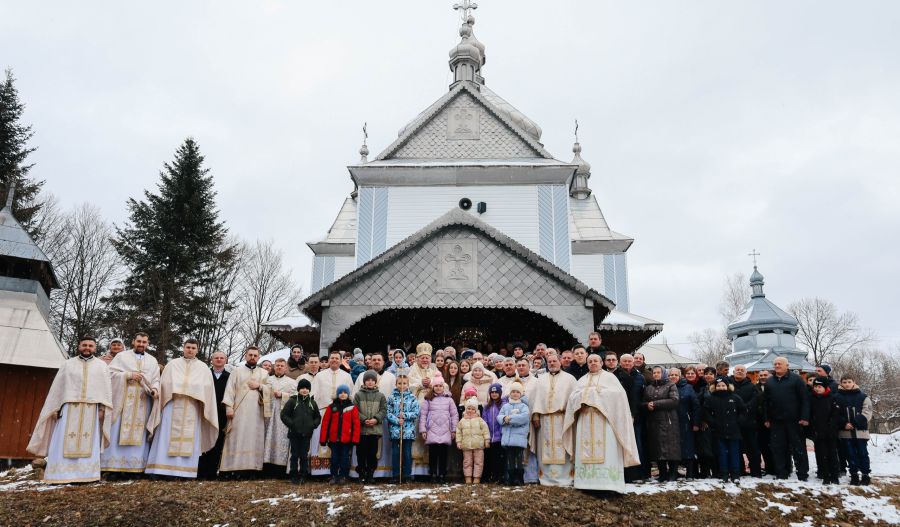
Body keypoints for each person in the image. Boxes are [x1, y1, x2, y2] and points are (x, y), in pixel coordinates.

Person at [27, 336, 113, 484]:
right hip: (68, 408)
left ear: (95, 348)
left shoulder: (102, 366)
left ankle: (87, 475)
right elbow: (57, 389)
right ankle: (60, 475)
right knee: (62, 439)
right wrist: (56, 407)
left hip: (91, 409)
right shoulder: (67, 365)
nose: (87, 348)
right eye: (84, 345)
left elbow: (105, 389)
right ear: (79, 347)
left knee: (89, 440)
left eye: (90, 346)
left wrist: (103, 408)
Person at [562, 354, 641, 492]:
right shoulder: (581, 380)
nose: (593, 363)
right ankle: (585, 484)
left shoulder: (610, 378)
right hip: (585, 419)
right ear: (587, 364)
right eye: (590, 361)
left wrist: (593, 394)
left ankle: (608, 483)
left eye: (595, 361)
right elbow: (573, 398)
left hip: (605, 420)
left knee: (607, 449)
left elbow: (618, 396)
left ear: (601, 363)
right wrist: (585, 396)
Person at [145, 338, 218, 479]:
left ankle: (185, 472)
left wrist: (192, 391)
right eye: (188, 347)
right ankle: (161, 470)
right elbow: (165, 384)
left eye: (193, 348)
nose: (190, 350)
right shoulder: (172, 364)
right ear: (183, 348)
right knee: (166, 435)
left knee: (190, 437)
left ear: (197, 350)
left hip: (192, 407)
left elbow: (207, 390)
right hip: (172, 405)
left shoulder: (203, 368)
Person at [101, 332, 160, 476]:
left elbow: (156, 379)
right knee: (117, 430)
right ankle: (112, 468)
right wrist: (128, 375)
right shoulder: (122, 356)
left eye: (144, 342)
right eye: (139, 341)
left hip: (142, 401)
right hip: (123, 399)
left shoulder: (152, 360)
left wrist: (154, 389)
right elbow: (109, 374)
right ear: (133, 341)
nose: (141, 344)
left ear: (148, 343)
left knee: (140, 435)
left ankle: (135, 468)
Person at [219, 346, 273, 475]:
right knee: (236, 438)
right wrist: (228, 408)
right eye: (250, 355)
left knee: (253, 439)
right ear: (245, 356)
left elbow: (270, 391)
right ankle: (233, 469)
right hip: (239, 412)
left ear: (259, 357)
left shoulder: (264, 373)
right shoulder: (236, 371)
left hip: (256, 413)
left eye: (255, 355)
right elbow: (229, 390)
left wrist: (259, 386)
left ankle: (252, 469)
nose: (252, 357)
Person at [527, 352, 576, 486]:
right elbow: (534, 400)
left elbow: (574, 400)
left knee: (563, 446)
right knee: (545, 447)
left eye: (555, 361)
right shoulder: (540, 380)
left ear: (560, 362)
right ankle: (546, 477)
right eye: (550, 362)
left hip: (562, 419)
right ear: (546, 364)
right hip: (544, 420)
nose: (552, 363)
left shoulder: (570, 379)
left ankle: (566, 477)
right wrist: (535, 415)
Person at [762, 357, 810, 481]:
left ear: (787, 366)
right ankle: (781, 472)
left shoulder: (797, 380)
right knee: (778, 448)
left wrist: (804, 417)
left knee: (798, 448)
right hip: (776, 421)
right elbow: (765, 402)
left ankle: (802, 473)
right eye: (775, 364)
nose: (777, 366)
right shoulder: (770, 382)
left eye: (780, 364)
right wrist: (766, 418)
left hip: (795, 420)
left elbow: (805, 399)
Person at [309, 351, 354, 476]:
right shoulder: (320, 375)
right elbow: (313, 394)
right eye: (332, 358)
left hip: (341, 414)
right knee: (321, 440)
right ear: (329, 360)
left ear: (340, 361)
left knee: (338, 442)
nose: (334, 360)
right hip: (323, 412)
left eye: (336, 358)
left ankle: (338, 471)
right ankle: (321, 471)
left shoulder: (346, 376)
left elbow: (351, 395)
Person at [703, 376, 746, 483]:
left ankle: (735, 474)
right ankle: (724, 474)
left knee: (734, 453)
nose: (721, 387)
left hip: (734, 431)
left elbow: (743, 411)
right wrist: (713, 423)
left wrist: (738, 422)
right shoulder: (711, 398)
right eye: (719, 386)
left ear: (727, 386)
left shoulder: (735, 398)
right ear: (715, 387)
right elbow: (706, 412)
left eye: (723, 385)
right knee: (722, 453)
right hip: (718, 431)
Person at [642, 365, 681, 482]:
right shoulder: (648, 387)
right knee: (657, 448)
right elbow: (643, 402)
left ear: (663, 373)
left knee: (671, 448)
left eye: (658, 372)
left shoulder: (671, 385)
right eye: (654, 373)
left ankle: (673, 473)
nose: (656, 374)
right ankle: (662, 473)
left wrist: (655, 404)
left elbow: (674, 400)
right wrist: (646, 405)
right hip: (654, 421)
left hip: (669, 421)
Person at [419, 373, 459, 483]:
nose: (438, 388)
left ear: (444, 387)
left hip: (446, 430)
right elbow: (423, 415)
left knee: (443, 455)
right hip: (432, 430)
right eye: (436, 386)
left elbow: (454, 415)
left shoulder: (449, 400)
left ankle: (442, 475)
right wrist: (423, 430)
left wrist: (454, 429)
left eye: (440, 386)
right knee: (433, 454)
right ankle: (432, 474)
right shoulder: (428, 399)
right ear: (433, 387)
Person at [834, 374, 872, 486]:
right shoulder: (836, 397)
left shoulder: (863, 396)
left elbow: (867, 412)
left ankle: (865, 475)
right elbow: (835, 414)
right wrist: (844, 423)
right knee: (850, 455)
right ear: (841, 383)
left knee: (863, 454)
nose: (847, 384)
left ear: (854, 382)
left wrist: (855, 423)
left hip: (860, 432)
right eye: (844, 382)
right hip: (845, 432)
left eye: (849, 382)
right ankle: (854, 475)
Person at [280, 378, 321, 483]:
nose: (304, 390)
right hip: (294, 433)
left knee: (304, 455)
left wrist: (313, 425)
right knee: (294, 455)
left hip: (307, 434)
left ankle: (303, 474)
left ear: (309, 390)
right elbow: (284, 414)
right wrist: (292, 424)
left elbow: (317, 417)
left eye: (307, 388)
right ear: (298, 389)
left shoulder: (312, 403)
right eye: (302, 388)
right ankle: (293, 474)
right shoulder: (292, 401)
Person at [198, 351, 230, 479]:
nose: (219, 360)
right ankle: (201, 471)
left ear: (225, 360)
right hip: (206, 412)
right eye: (216, 358)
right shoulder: (205, 375)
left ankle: (212, 472)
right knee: (204, 439)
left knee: (218, 441)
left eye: (221, 358)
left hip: (221, 413)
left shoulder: (230, 377)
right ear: (212, 360)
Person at [408, 342, 438, 475]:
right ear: (417, 358)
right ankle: (415, 471)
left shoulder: (435, 370)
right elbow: (406, 386)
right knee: (417, 434)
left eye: (427, 357)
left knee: (430, 435)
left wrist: (431, 383)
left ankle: (428, 471)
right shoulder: (412, 370)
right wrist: (420, 384)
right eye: (422, 357)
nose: (425, 360)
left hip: (433, 407)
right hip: (417, 406)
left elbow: (443, 385)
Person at [318, 384, 359, 484]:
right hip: (334, 439)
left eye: (345, 392)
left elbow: (356, 424)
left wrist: (355, 439)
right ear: (337, 394)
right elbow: (325, 423)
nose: (343, 394)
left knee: (344, 458)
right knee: (334, 458)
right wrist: (323, 439)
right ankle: (333, 475)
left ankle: (343, 476)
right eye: (340, 392)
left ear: (348, 394)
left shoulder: (352, 407)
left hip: (346, 439)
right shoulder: (332, 407)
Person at [262, 358, 297, 476]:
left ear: (286, 368)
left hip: (283, 416)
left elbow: (295, 397)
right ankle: (266, 468)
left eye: (282, 366)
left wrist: (283, 395)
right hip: (268, 415)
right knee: (268, 438)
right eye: (277, 365)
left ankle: (280, 470)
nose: (279, 367)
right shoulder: (267, 380)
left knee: (282, 439)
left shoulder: (292, 382)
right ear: (273, 367)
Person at [353, 370, 387, 484]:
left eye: (372, 380)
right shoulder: (358, 395)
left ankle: (370, 474)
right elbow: (354, 409)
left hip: (374, 431)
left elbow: (383, 410)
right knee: (361, 453)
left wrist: (376, 419)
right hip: (362, 431)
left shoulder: (380, 396)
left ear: (376, 382)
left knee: (372, 454)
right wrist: (363, 419)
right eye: (368, 380)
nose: (370, 382)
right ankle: (361, 474)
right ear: (364, 382)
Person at [386, 371, 420, 483]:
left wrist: (405, 416)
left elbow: (416, 412)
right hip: (396, 430)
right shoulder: (391, 397)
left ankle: (407, 475)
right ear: (396, 384)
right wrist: (396, 420)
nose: (402, 386)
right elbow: (388, 412)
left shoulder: (412, 397)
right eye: (399, 383)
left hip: (408, 430)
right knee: (396, 453)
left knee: (406, 453)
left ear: (408, 384)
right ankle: (396, 474)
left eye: (404, 383)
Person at [730, 365, 761, 477]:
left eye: (742, 370)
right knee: (736, 449)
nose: (739, 371)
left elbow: (755, 401)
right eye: (737, 370)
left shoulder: (752, 386)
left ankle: (756, 471)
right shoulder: (728, 385)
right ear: (733, 372)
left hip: (749, 422)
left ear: (746, 373)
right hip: (733, 422)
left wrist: (744, 410)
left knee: (752, 448)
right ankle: (739, 470)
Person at [620, 353, 647, 482]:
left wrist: (635, 413)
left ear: (633, 362)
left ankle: (638, 473)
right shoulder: (616, 376)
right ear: (620, 363)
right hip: (620, 416)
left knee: (637, 444)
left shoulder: (640, 377)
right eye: (624, 361)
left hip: (636, 416)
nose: (627, 363)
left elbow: (643, 397)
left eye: (629, 361)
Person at [809, 376, 841, 484]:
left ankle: (835, 475)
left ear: (825, 387)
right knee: (822, 454)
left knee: (832, 453)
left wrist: (830, 426)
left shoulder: (832, 398)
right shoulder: (812, 399)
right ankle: (825, 475)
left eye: (819, 386)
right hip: (818, 432)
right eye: (815, 387)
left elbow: (836, 414)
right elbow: (810, 415)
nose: (817, 389)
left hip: (830, 432)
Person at [669, 368, 699, 481]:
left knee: (688, 447)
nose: (673, 377)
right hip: (670, 422)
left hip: (686, 422)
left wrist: (696, 422)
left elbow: (696, 406)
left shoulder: (688, 387)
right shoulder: (666, 387)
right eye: (671, 375)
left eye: (675, 375)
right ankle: (673, 472)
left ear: (680, 376)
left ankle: (690, 473)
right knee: (673, 448)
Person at [497, 381, 530, 486]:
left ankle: (519, 479)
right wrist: (503, 418)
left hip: (519, 438)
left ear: (520, 394)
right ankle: (510, 479)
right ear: (510, 393)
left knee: (519, 459)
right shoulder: (505, 406)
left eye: (517, 392)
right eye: (513, 392)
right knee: (510, 459)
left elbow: (524, 418)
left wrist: (509, 419)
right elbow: (499, 416)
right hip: (508, 438)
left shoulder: (523, 406)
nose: (515, 394)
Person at [456, 397, 491, 484]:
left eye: (472, 409)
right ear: (465, 409)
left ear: (476, 410)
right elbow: (458, 432)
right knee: (467, 462)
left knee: (479, 462)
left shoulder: (480, 420)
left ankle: (477, 478)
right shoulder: (462, 421)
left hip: (478, 445)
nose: (470, 410)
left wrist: (487, 440)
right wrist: (459, 442)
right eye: (468, 408)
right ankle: (468, 477)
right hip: (466, 445)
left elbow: (485, 430)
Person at [482, 383, 505, 483]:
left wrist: (500, 432)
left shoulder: (503, 405)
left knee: (499, 458)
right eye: (492, 392)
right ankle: (491, 476)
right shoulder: (487, 407)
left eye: (496, 392)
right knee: (490, 457)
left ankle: (499, 476)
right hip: (490, 437)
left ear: (500, 393)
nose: (494, 394)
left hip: (499, 436)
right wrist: (487, 435)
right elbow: (484, 421)